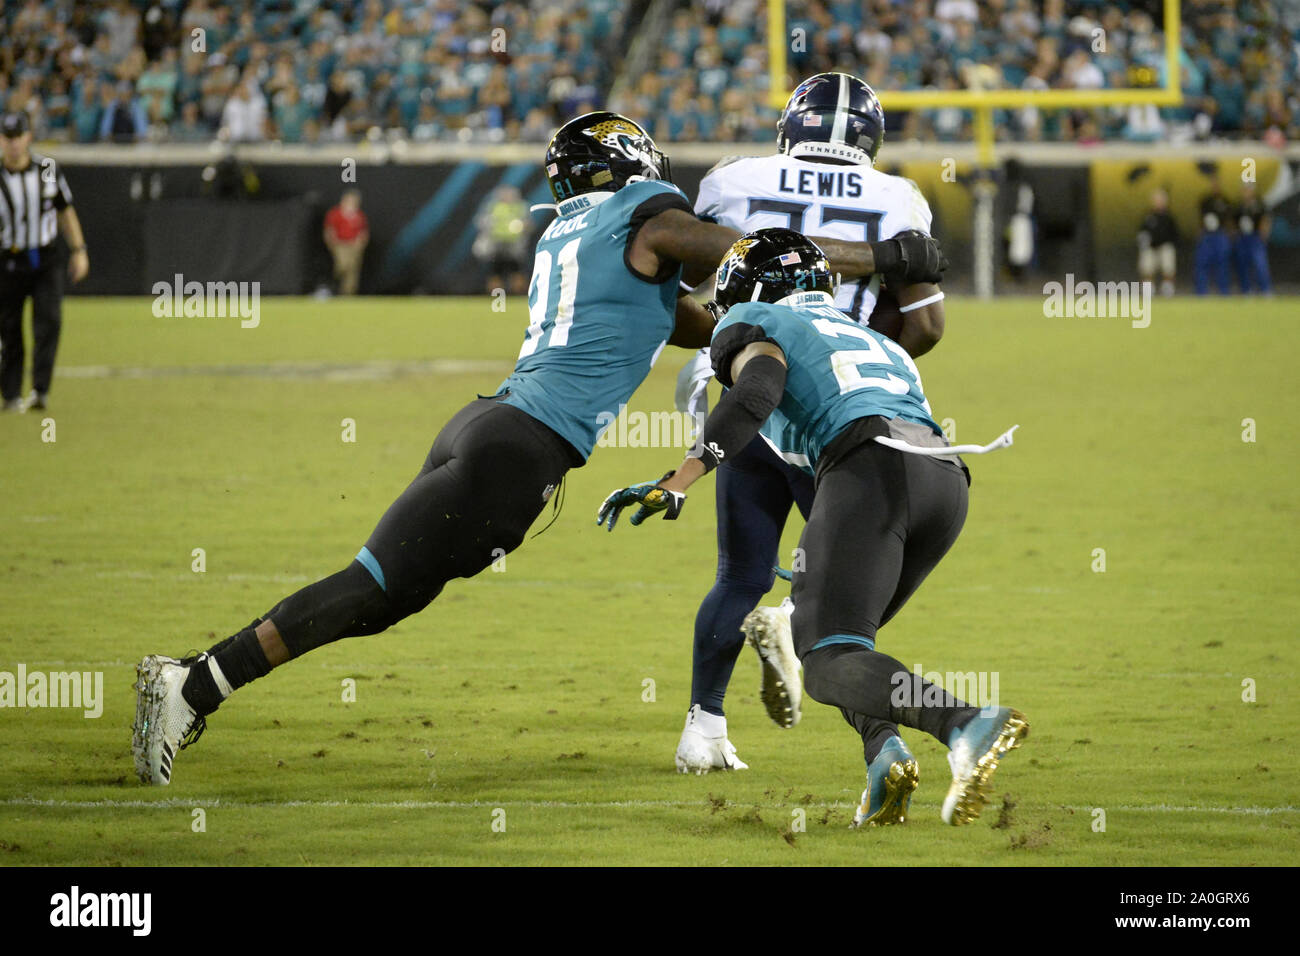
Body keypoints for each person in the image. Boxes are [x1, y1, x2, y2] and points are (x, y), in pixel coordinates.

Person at [131, 112, 947, 786]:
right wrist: (878, 259)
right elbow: (740, 251)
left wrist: (775, 330)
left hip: (485, 426)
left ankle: (196, 680)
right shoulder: (650, 214)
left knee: (383, 591)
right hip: (518, 450)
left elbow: (691, 322)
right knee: (372, 594)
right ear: (630, 161)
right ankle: (195, 683)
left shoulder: (569, 234)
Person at [598, 227, 1024, 826]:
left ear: (746, 291)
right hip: (944, 479)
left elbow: (756, 393)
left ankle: (965, 724)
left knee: (827, 659)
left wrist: (680, 480)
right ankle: (885, 759)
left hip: (870, 470)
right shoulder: (874, 337)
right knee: (838, 641)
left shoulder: (750, 320)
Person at [670, 73, 948, 775]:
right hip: (836, 409)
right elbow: (928, 324)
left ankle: (702, 730)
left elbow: (688, 292)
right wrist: (852, 346)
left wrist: (732, 345)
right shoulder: (897, 198)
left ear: (791, 125)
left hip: (736, 388)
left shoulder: (736, 178)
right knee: (840, 595)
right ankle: (880, 743)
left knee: (738, 573)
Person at [0, 111, 89, 412]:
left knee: (49, 321)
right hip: (8, 260)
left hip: (45, 258)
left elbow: (66, 210)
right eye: (7, 137)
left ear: (28, 137)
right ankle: (10, 394)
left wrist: (78, 249)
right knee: (8, 329)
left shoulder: (47, 169)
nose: (13, 144)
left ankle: (40, 390)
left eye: (18, 136)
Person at [323, 189, 369, 295]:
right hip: (340, 244)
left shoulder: (359, 215)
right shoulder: (336, 213)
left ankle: (348, 293)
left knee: (353, 270)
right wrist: (332, 242)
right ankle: (332, 287)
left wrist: (360, 243)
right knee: (342, 265)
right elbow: (330, 229)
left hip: (354, 246)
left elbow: (363, 231)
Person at [1193, 176, 1232, 295]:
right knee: (1202, 263)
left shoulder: (1225, 201)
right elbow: (1200, 217)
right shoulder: (1205, 201)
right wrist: (1200, 230)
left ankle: (1224, 292)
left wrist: (1229, 232)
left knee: (1222, 264)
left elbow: (1229, 219)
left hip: (1220, 235)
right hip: (1207, 235)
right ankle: (1201, 292)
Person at [1137, 188, 1178, 297]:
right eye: (1157, 200)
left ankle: (1168, 288)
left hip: (1164, 246)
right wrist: (1145, 242)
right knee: (1147, 262)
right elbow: (1142, 233)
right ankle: (1148, 289)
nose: (1158, 202)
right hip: (1151, 247)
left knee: (1168, 256)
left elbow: (1174, 235)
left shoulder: (1169, 217)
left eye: (1161, 200)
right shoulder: (1148, 216)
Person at [1232, 182, 1271, 294]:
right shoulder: (1239, 206)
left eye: (1248, 190)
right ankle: (1246, 290)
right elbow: (1233, 221)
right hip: (1243, 237)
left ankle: (1266, 290)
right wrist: (1235, 234)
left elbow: (1265, 220)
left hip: (1255, 237)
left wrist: (1263, 234)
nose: (1246, 193)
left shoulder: (1259, 205)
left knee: (1260, 264)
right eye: (1244, 190)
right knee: (1242, 265)